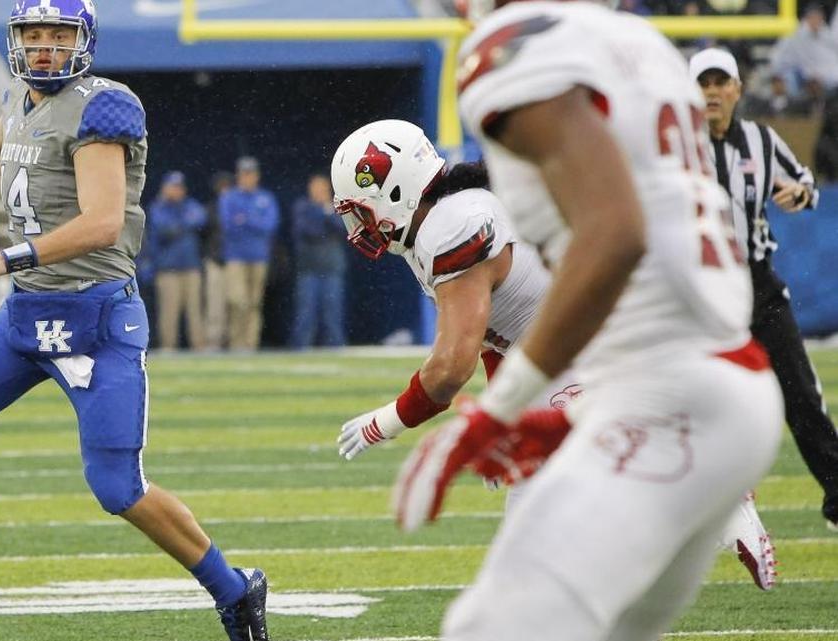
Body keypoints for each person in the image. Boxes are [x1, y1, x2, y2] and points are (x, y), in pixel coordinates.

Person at [0, 2, 270, 640]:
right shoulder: (23, 100)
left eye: (59, 36)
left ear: (83, 42)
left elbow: (102, 221)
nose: (46, 47)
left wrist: (7, 255)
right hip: (27, 315)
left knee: (118, 487)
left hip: (95, 319)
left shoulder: (102, 107)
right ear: (16, 40)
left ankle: (234, 588)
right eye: (34, 35)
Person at [392, 3, 783, 640]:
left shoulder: (510, 53)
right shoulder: (635, 40)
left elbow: (615, 234)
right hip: (714, 378)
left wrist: (503, 407)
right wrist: (575, 412)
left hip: (671, 398)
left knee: (486, 627)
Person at [333, 122, 777, 591]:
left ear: (397, 188)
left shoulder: (452, 225)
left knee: (543, 548)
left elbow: (449, 369)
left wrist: (386, 421)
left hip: (604, 344)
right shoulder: (442, 222)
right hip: (578, 347)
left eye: (360, 211)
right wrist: (502, 416)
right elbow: (498, 340)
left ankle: (715, 491)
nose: (357, 226)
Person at [691, 47, 838, 529]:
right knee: (688, 401)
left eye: (720, 82)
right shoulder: (675, 149)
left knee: (801, 394)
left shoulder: (760, 141)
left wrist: (801, 193)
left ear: (736, 89)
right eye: (703, 84)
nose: (712, 92)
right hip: (701, 287)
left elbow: (804, 185)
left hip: (756, 281)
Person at [218, 156, 279, 351]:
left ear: (256, 176)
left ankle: (250, 344)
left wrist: (246, 219)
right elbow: (228, 226)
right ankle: (237, 344)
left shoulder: (265, 198)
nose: (247, 178)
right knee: (237, 301)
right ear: (239, 176)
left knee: (254, 303)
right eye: (244, 174)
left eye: (250, 174)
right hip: (235, 256)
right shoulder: (229, 197)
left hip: (259, 256)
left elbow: (270, 226)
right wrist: (254, 221)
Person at [149, 170, 207, 350]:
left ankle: (199, 348)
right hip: (168, 269)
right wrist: (183, 223)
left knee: (195, 311)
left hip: (191, 267)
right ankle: (169, 348)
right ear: (164, 188)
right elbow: (164, 229)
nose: (176, 190)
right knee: (169, 312)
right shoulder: (158, 207)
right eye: (172, 186)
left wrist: (179, 224)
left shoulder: (190, 205)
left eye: (179, 187)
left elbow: (200, 218)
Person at [288, 173, 346, 349]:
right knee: (306, 312)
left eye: (323, 188)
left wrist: (326, 212)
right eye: (316, 188)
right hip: (309, 268)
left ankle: (335, 347)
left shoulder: (335, 207)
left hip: (331, 267)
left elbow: (343, 228)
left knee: (332, 312)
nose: (319, 192)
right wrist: (323, 217)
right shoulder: (302, 206)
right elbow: (305, 231)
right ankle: (301, 348)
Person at [201, 170, 233, 350]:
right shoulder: (211, 208)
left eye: (227, 187)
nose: (224, 191)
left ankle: (234, 343)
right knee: (215, 306)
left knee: (236, 305)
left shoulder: (239, 206)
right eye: (221, 187)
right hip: (215, 260)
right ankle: (213, 343)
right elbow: (204, 231)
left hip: (235, 261)